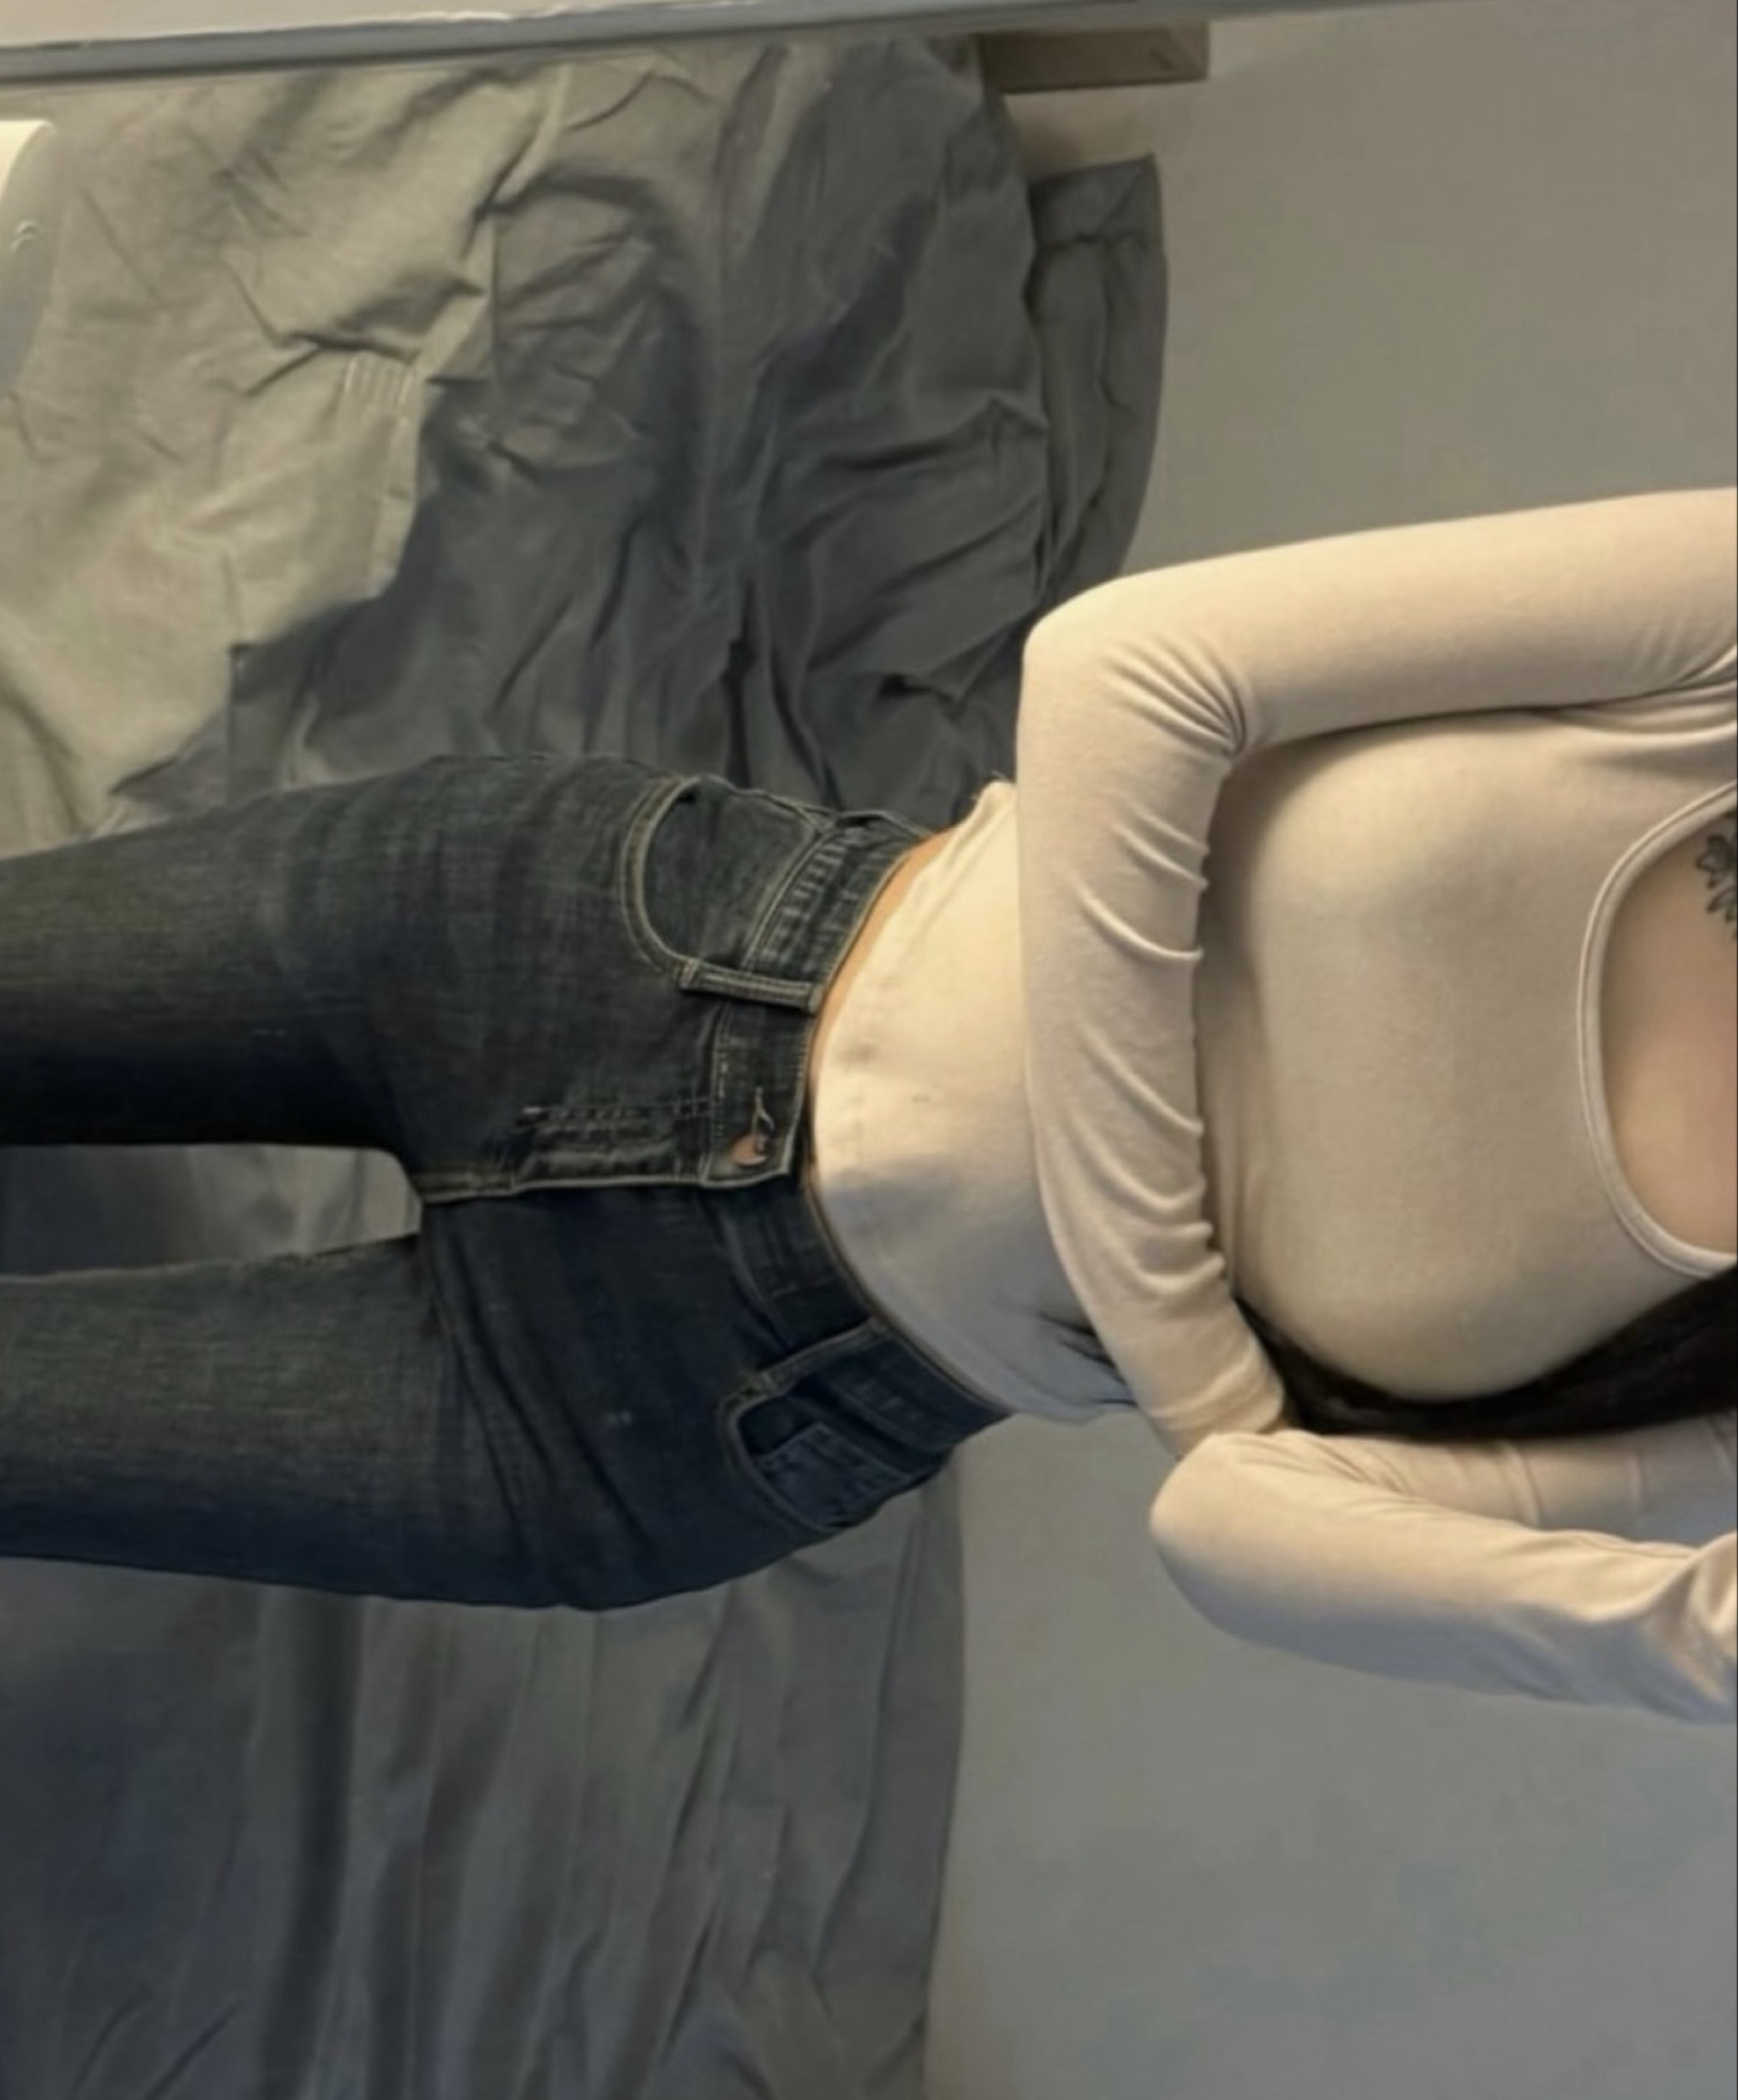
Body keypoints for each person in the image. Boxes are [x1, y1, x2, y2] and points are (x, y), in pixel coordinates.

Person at [2, 486, 1733, 1721]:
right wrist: (1195, 1354)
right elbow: (1134, 670)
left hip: (681, 1412)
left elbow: (1236, 1536)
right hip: (604, 955)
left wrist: (1694, 1644)